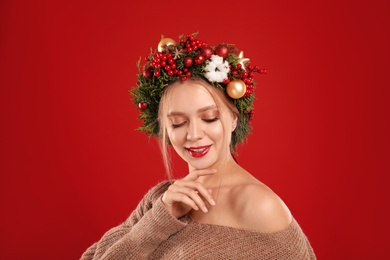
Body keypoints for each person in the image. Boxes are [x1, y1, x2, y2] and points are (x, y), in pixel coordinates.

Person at [81, 33, 316, 259]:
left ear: (234, 119)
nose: (193, 135)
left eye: (210, 118)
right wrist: (159, 219)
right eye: (178, 123)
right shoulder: (162, 199)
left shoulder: (260, 206)